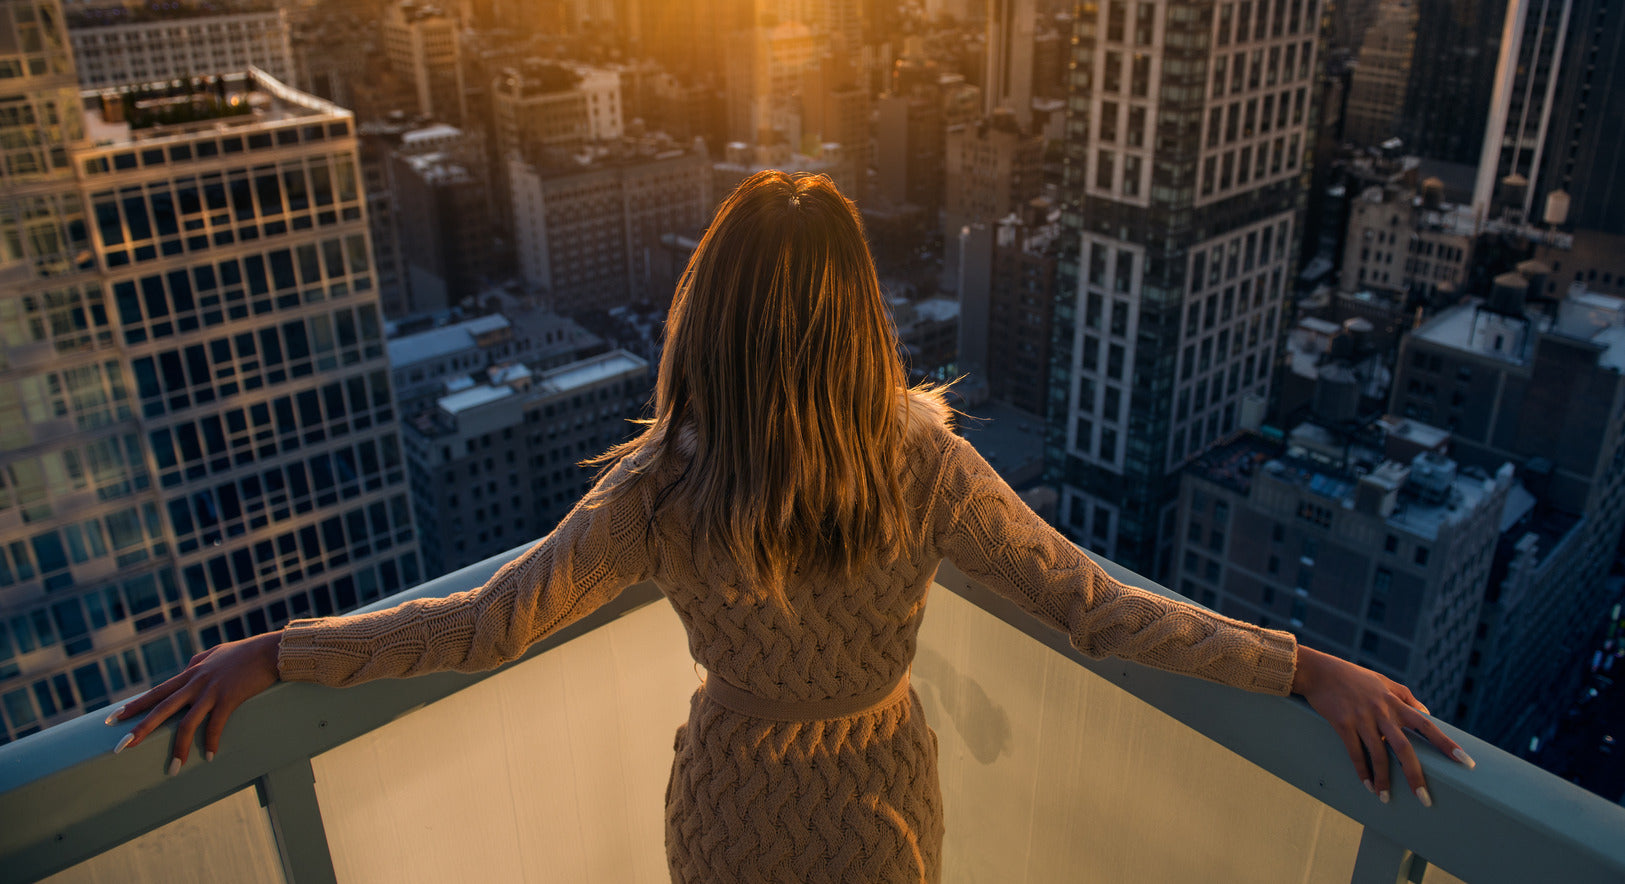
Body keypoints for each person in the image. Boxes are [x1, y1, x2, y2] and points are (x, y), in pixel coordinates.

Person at [109, 171, 1473, 882]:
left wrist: (278, 654)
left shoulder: (662, 486)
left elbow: (480, 626)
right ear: (854, 313)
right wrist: (1304, 665)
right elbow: (1099, 609)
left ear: (712, 310)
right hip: (875, 807)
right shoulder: (921, 462)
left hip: (727, 808)